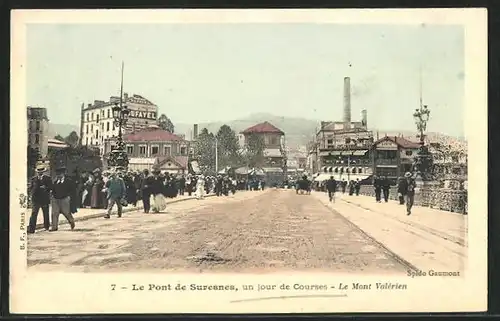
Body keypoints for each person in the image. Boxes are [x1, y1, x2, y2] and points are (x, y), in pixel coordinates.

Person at [50, 166, 76, 232]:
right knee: (54, 213)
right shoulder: (55, 182)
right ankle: (54, 227)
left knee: (66, 213)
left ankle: (71, 221)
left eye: (60, 174)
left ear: (63, 174)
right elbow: (53, 190)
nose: (59, 175)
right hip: (56, 199)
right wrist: (52, 195)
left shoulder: (68, 181)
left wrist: (70, 197)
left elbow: (73, 190)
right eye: (58, 174)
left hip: (65, 199)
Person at [27, 166, 52, 233]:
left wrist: (46, 187)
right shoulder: (33, 179)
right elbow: (31, 188)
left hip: (44, 199)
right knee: (34, 213)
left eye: (41, 172)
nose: (40, 173)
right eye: (38, 172)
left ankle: (46, 227)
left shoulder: (47, 178)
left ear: (43, 172)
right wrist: (30, 195)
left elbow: (51, 187)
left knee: (46, 213)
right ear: (37, 172)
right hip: (36, 199)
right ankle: (31, 229)